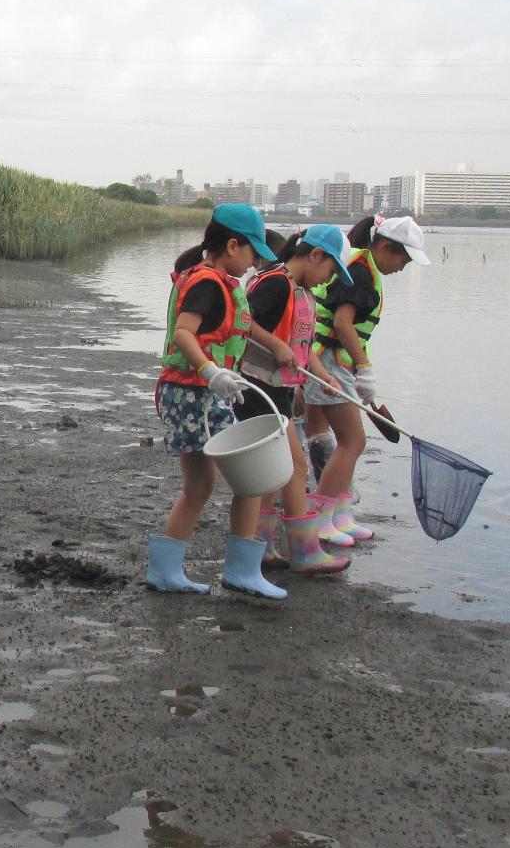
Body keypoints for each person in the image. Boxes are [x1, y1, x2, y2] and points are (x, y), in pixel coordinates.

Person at [147, 204, 281, 594]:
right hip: (195, 396)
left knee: (200, 486)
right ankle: (242, 572)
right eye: (253, 253)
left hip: (190, 393)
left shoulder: (209, 278)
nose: (255, 263)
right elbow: (184, 334)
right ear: (232, 245)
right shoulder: (208, 283)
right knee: (251, 481)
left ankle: (165, 571)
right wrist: (211, 372)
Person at [301, 214, 429, 541]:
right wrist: (365, 367)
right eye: (404, 260)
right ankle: (322, 520)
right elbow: (342, 324)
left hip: (323, 357)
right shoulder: (361, 272)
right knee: (353, 442)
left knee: (321, 433)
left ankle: (341, 516)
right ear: (385, 247)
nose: (402, 268)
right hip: (329, 363)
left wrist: (359, 369)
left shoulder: (360, 263)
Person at [239, 225, 355, 582]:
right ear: (316, 255)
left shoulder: (302, 291)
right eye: (331, 270)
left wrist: (325, 375)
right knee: (294, 467)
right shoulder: (276, 283)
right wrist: (275, 345)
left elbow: (302, 348)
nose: (328, 279)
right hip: (257, 389)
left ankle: (262, 545)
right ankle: (306, 552)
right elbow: (242, 321)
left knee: (272, 474)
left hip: (280, 392)